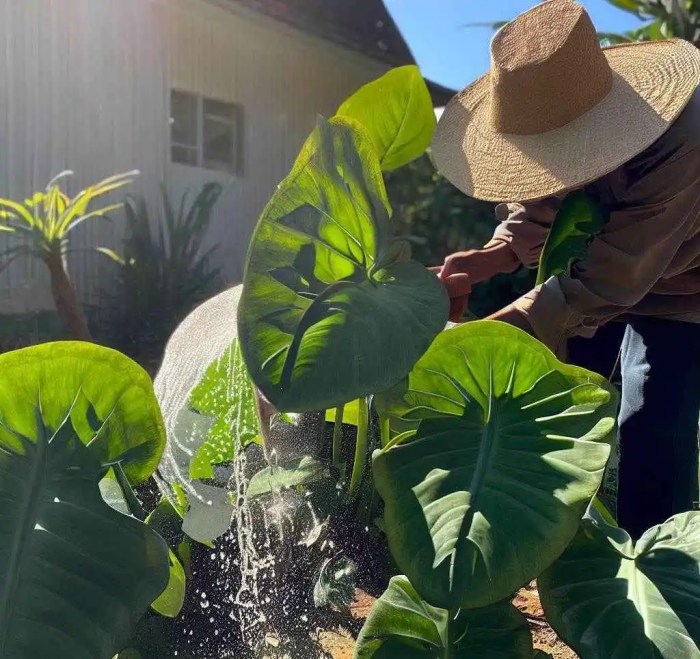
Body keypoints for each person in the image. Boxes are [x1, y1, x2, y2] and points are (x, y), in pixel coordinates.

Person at [431, 0, 700, 539]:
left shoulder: (683, 135)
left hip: (683, 287)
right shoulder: (552, 112)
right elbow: (542, 204)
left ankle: (662, 580)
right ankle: (562, 550)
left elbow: (612, 276)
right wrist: (487, 259)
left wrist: (475, 340)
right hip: (593, 271)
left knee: (651, 423)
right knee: (561, 416)